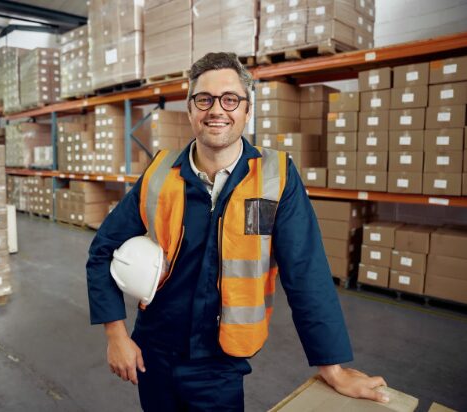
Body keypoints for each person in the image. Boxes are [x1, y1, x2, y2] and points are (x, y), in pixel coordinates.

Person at [86, 52, 388, 411]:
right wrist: (115, 334)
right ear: (190, 109)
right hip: (154, 353)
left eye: (230, 99)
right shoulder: (159, 173)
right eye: (205, 99)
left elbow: (306, 274)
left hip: (221, 361)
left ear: (247, 110)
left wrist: (332, 366)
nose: (217, 110)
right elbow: (102, 249)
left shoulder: (277, 177)